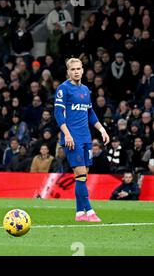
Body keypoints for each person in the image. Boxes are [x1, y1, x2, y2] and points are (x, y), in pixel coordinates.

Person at [54, 58, 110, 223]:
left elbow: (90, 113)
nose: (76, 72)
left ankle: (79, 213)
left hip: (86, 137)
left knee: (83, 177)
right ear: (68, 71)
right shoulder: (63, 89)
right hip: (73, 138)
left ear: (83, 70)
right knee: (80, 175)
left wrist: (102, 129)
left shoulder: (86, 90)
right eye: (73, 69)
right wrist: (67, 134)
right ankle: (90, 211)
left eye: (79, 69)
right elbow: (58, 113)